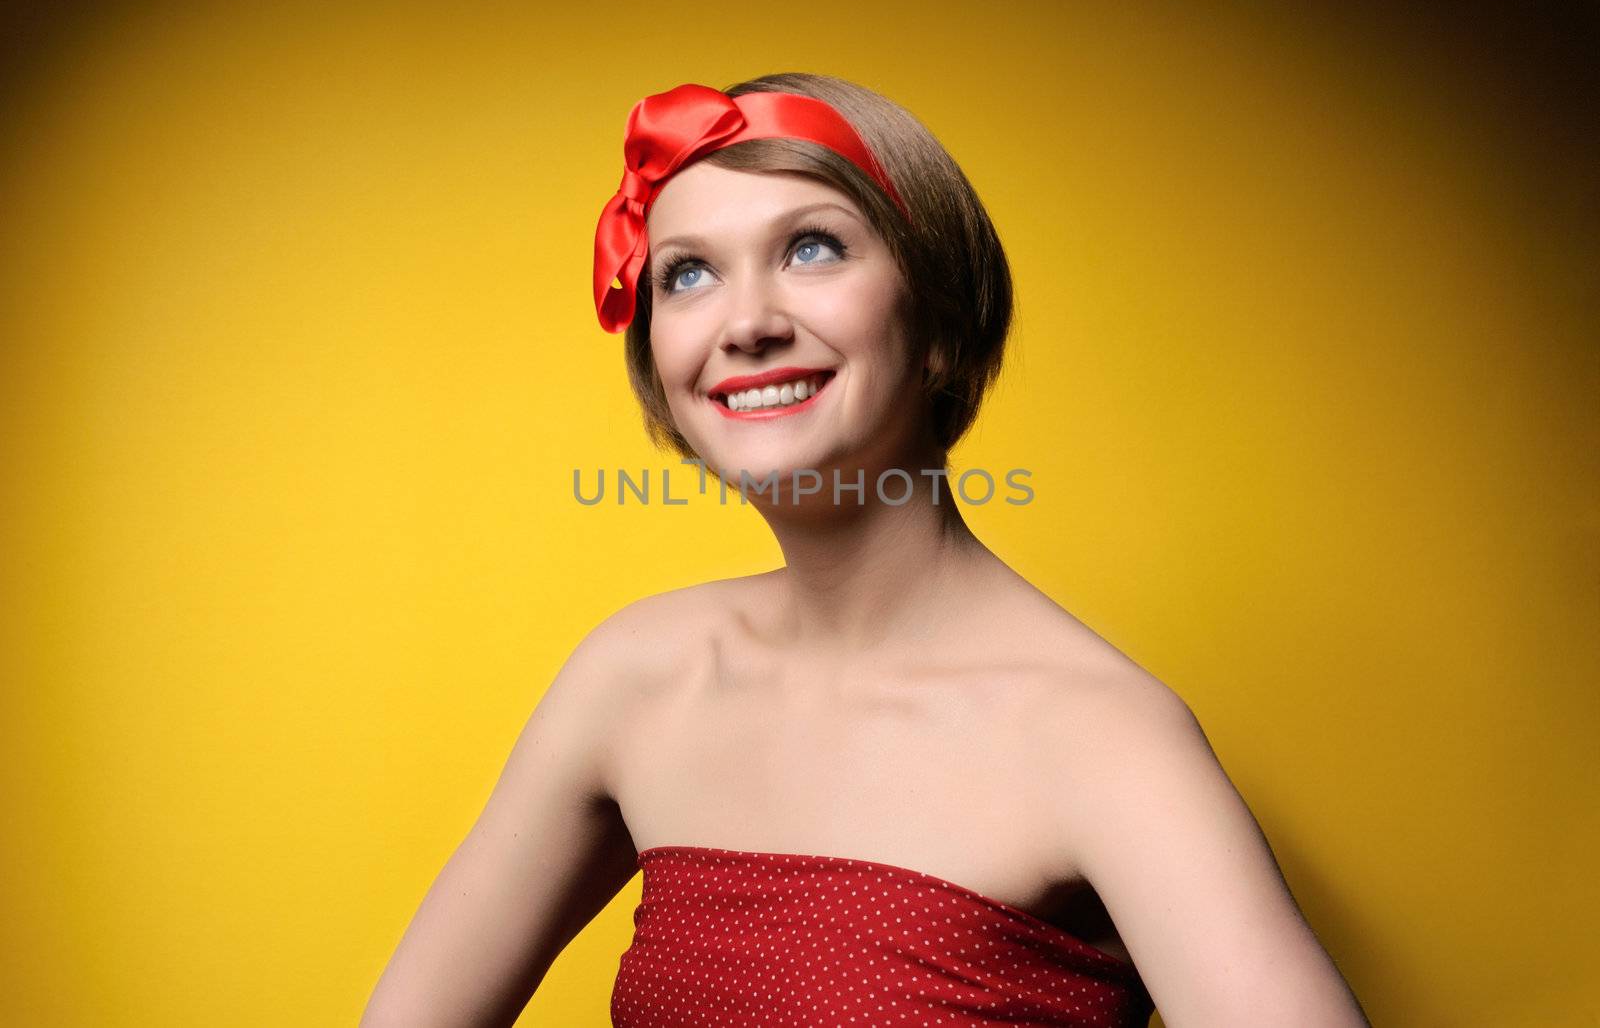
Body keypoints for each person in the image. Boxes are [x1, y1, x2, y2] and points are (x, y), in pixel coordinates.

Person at [360, 73, 1372, 1027]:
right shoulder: (636, 677)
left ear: (936, 318)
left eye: (812, 247)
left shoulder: (1101, 739)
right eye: (688, 273)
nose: (747, 322)